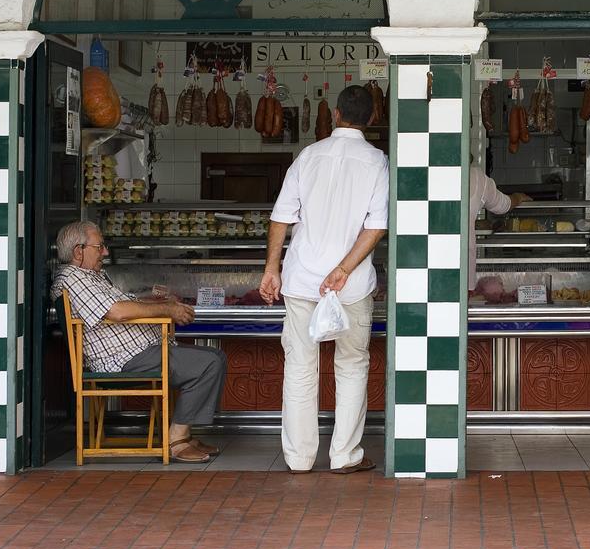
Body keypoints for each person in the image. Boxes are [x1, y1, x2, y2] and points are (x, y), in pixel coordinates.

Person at [259, 84, 388, 474]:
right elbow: (377, 226)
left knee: (300, 365)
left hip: (301, 282)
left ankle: (298, 458)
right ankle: (345, 455)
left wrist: (271, 268)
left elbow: (281, 215)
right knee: (351, 365)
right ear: (372, 118)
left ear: (334, 114)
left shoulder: (308, 156)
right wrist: (344, 269)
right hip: (349, 286)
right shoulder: (376, 160)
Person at [50, 220, 227, 464]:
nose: (105, 252)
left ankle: (183, 432)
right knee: (208, 363)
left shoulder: (94, 276)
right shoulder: (72, 277)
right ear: (78, 251)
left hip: (142, 352)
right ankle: (176, 440)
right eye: (99, 246)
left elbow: (125, 303)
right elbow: (117, 312)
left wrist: (156, 302)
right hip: (122, 360)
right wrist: (166, 309)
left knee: (215, 356)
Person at [468, 160, 528, 290]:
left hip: (421, 262)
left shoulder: (426, 172)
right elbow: (503, 205)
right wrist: (517, 197)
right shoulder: (476, 177)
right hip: (462, 271)